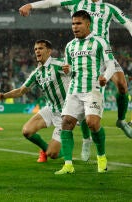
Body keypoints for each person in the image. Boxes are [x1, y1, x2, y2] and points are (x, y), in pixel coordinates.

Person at [19, 1, 132, 154]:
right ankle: (86, 139)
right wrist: (31, 6)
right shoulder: (77, 3)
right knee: (85, 104)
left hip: (103, 53)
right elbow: (53, 1)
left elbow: (128, 23)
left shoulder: (110, 9)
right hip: (82, 56)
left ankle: (121, 121)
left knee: (122, 86)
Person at [55, 10, 114, 174]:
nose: (75, 27)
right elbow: (69, 69)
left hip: (93, 89)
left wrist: (106, 77)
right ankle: (68, 165)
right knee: (66, 123)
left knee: (92, 123)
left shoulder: (100, 42)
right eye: (73, 23)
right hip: (74, 90)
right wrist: (66, 70)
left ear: (88, 24)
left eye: (78, 23)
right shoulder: (70, 45)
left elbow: (110, 65)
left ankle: (101, 157)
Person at [0, 39, 69, 162]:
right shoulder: (37, 73)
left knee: (53, 154)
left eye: (40, 48)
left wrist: (71, 70)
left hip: (64, 114)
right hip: (51, 109)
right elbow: (21, 91)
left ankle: (65, 152)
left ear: (49, 51)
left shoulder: (59, 64)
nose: (37, 51)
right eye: (35, 49)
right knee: (26, 131)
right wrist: (4, 95)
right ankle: (44, 149)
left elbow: (77, 71)